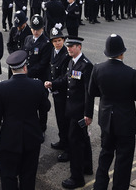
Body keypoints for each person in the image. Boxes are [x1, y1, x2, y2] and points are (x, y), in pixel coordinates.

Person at [88, 34, 136, 190]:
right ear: (122, 52)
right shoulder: (131, 73)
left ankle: (100, 186)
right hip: (125, 123)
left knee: (105, 155)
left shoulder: (98, 69)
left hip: (106, 121)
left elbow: (92, 92)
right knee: (123, 161)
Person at [0, 49, 51, 190]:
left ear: (11, 69)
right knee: (28, 176)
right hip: (32, 137)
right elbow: (45, 107)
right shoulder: (37, 85)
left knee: (8, 175)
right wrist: (41, 127)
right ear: (25, 67)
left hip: (10, 139)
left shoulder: (2, 87)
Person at [48, 35, 94, 189]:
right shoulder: (71, 62)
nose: (69, 49)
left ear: (79, 47)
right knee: (83, 140)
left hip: (79, 112)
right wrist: (52, 84)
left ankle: (77, 178)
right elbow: (66, 80)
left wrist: (88, 114)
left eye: (72, 46)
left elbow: (89, 93)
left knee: (75, 143)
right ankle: (87, 166)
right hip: (72, 109)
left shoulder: (86, 65)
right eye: (68, 46)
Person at [45, 25, 70, 154]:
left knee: (65, 120)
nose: (57, 43)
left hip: (64, 92)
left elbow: (66, 77)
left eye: (59, 40)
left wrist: (52, 84)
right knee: (59, 118)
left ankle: (67, 148)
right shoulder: (53, 52)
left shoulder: (67, 54)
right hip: (55, 91)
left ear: (64, 40)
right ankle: (62, 141)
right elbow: (50, 70)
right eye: (55, 41)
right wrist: (50, 83)